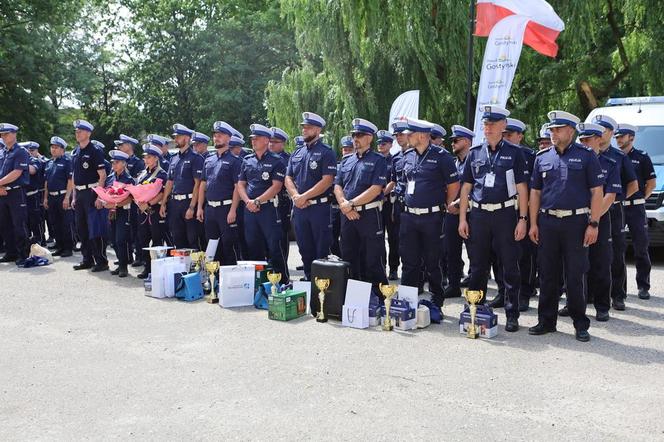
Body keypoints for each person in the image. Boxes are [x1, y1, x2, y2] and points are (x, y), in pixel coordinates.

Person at [528, 111, 604, 342]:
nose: (553, 134)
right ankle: (546, 321)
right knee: (548, 274)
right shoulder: (542, 157)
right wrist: (533, 223)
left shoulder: (587, 156)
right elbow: (535, 192)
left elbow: (597, 192)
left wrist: (594, 223)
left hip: (576, 223)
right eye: (551, 130)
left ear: (571, 131)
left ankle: (580, 323)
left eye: (558, 129)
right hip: (548, 222)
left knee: (574, 275)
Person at [458, 106, 529, 333]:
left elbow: (522, 189)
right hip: (478, 215)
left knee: (509, 265)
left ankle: (512, 313)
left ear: (503, 126)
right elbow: (466, 188)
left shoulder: (514, 153)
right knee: (478, 267)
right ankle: (475, 310)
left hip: (505, 215)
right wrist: (462, 218)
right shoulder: (475, 153)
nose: (487, 128)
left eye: (492, 124)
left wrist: (523, 219)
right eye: (485, 124)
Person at [558, 123, 620, 321]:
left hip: (599, 219)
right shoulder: (574, 159)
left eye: (588, 139)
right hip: (575, 220)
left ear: (598, 139)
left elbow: (610, 195)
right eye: (581, 139)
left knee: (601, 263)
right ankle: (574, 304)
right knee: (575, 266)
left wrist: (593, 218)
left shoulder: (609, 163)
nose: (584, 142)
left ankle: (602, 306)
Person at [400, 118, 459, 308]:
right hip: (409, 216)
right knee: (409, 261)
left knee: (433, 261)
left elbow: (453, 185)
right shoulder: (408, 155)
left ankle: (436, 301)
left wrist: (446, 204)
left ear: (423, 136)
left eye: (410, 134)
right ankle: (407, 300)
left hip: (432, 217)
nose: (407, 136)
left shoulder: (442, 156)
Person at [333, 118, 388, 288]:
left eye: (360, 135)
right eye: (354, 135)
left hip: (369, 215)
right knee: (349, 256)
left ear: (370, 138)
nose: (355, 138)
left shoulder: (378, 160)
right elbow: (337, 185)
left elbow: (376, 188)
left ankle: (378, 297)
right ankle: (354, 296)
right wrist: (344, 205)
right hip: (347, 215)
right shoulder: (347, 160)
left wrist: (350, 204)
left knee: (373, 258)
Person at [285, 113, 337, 281]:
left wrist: (304, 196)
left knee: (321, 249)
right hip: (300, 209)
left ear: (317, 129)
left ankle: (322, 285)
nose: (304, 130)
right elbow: (288, 177)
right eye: (303, 127)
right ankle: (309, 279)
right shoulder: (297, 153)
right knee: (304, 248)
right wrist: (295, 196)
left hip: (319, 208)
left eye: (307, 127)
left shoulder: (326, 152)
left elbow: (327, 180)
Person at [595, 114, 638, 311]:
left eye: (603, 129)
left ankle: (618, 295)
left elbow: (633, 184)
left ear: (611, 133)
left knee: (616, 254)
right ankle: (590, 294)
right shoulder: (588, 153)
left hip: (613, 211)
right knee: (590, 254)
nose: (599, 132)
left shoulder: (619, 157)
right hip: (592, 210)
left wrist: (618, 199)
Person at [237, 124, 288, 283]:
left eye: (257, 138)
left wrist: (258, 201)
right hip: (250, 209)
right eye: (252, 139)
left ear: (266, 140)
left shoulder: (276, 161)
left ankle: (282, 282)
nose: (253, 141)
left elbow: (277, 186)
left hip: (268, 209)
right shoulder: (247, 160)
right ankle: (259, 283)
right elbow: (240, 184)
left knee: (274, 247)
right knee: (253, 246)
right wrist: (248, 201)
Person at [616, 123, 656, 300]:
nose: (618, 140)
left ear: (631, 137)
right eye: (616, 137)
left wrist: (641, 198)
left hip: (636, 207)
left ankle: (643, 286)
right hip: (618, 206)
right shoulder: (614, 157)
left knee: (641, 247)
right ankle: (618, 288)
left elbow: (651, 183)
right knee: (617, 248)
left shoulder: (642, 157)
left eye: (621, 136)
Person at [502, 118, 537, 311]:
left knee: (525, 254)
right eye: (504, 134)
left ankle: (525, 292)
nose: (506, 138)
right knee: (503, 253)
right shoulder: (497, 153)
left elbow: (535, 186)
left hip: (524, 210)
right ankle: (504, 291)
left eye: (510, 135)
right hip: (503, 211)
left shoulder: (529, 155)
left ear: (520, 136)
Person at [196, 127, 243, 265]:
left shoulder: (235, 161)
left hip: (226, 208)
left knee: (229, 245)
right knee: (212, 245)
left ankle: (232, 279)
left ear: (229, 138)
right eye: (215, 135)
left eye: (220, 135)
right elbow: (202, 185)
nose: (216, 138)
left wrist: (233, 210)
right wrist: (200, 207)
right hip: (210, 209)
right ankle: (214, 279)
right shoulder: (209, 160)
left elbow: (237, 187)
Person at [71, 120, 108, 272]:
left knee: (95, 228)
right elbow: (74, 176)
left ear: (88, 133)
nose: (77, 133)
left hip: (92, 192)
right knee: (82, 228)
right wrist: (73, 196)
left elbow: (102, 175)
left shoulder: (95, 151)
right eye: (76, 131)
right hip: (79, 193)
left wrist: (100, 196)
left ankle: (101, 260)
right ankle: (87, 259)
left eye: (80, 131)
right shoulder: (75, 151)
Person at [159, 124, 204, 249]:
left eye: (179, 137)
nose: (176, 139)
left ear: (187, 138)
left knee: (193, 239)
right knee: (177, 239)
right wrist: (163, 203)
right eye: (175, 137)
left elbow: (197, 184)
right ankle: (181, 268)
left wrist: (192, 207)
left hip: (188, 202)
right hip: (174, 204)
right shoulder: (174, 159)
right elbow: (169, 182)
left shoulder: (196, 158)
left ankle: (195, 268)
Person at [444, 125, 474, 298]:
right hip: (452, 213)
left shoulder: (475, 161)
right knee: (451, 250)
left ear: (467, 141)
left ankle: (476, 286)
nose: (452, 144)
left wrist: (460, 203)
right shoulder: (453, 163)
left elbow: (478, 188)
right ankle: (453, 284)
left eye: (456, 141)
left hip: (471, 213)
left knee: (475, 252)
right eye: (452, 141)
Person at [136, 144, 169, 280]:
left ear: (156, 158)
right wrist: (139, 202)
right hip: (142, 211)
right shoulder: (143, 174)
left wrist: (149, 203)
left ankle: (157, 269)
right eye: (145, 157)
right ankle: (147, 267)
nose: (146, 160)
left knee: (156, 241)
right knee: (143, 240)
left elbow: (162, 193)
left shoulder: (161, 174)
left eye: (149, 157)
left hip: (154, 210)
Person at [100, 150, 135, 277]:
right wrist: (104, 200)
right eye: (113, 162)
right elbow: (107, 192)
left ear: (124, 164)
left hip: (124, 211)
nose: (114, 164)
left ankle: (124, 267)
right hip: (112, 212)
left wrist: (114, 204)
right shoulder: (111, 177)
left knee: (122, 239)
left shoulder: (128, 179)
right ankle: (120, 263)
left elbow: (130, 198)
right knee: (113, 240)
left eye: (117, 162)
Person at [0, 124, 30, 264]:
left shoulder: (21, 151)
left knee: (19, 224)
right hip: (3, 192)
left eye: (6, 134)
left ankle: (23, 254)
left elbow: (16, 173)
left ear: (14, 134)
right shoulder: (3, 152)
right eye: (2, 135)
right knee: (5, 224)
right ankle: (11, 252)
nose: (3, 137)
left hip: (16, 192)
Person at [115, 134, 146, 267]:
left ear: (129, 146)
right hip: (123, 200)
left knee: (136, 229)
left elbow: (138, 182)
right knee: (127, 231)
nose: (119, 147)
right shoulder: (120, 162)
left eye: (122, 145)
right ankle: (126, 257)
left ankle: (139, 256)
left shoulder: (138, 163)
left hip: (134, 201)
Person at [43, 136, 74, 257]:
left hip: (62, 196)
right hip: (51, 197)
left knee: (66, 223)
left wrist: (67, 198)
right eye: (52, 147)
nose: (53, 149)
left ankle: (68, 248)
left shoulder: (67, 162)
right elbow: (46, 182)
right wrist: (45, 198)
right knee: (55, 223)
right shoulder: (49, 163)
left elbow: (70, 181)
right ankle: (60, 246)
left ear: (62, 149)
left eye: (56, 147)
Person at [376, 129, 400, 281]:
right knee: (377, 239)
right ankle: (381, 267)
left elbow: (396, 181)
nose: (380, 145)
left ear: (390, 145)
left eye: (383, 143)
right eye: (378, 143)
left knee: (393, 238)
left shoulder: (394, 160)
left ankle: (393, 268)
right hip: (376, 203)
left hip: (389, 203)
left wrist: (382, 194)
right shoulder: (374, 160)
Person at [387, 120, 410, 280]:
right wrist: (381, 194)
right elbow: (393, 181)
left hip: (414, 204)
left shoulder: (417, 155)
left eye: (401, 134)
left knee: (411, 241)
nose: (398, 138)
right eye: (396, 136)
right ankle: (394, 268)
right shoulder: (396, 158)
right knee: (395, 239)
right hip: (398, 203)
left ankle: (416, 275)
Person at [270, 127, 294, 263]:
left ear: (283, 143)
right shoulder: (266, 157)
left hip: (282, 201)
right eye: (270, 141)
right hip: (266, 203)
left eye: (275, 142)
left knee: (281, 236)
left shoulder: (287, 159)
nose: (271, 144)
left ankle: (282, 264)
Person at [330, 136, 353, 257]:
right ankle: (339, 259)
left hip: (350, 207)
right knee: (332, 237)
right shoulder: (337, 166)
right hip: (335, 207)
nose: (347, 152)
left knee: (347, 238)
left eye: (350, 149)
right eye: (345, 149)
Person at [23, 141, 46, 246]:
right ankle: (28, 242)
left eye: (31, 150)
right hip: (22, 196)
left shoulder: (34, 161)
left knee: (36, 220)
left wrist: (20, 164)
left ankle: (40, 240)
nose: (29, 152)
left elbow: (32, 171)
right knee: (25, 221)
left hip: (33, 195)